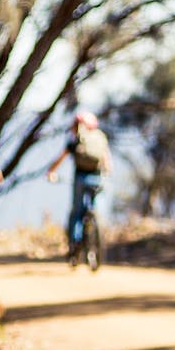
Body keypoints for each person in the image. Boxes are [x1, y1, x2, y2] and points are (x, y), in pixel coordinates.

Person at [46, 111, 110, 262]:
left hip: (81, 178)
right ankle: (97, 228)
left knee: (76, 212)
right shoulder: (99, 139)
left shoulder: (76, 141)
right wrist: (107, 172)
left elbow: (59, 160)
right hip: (99, 178)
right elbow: (106, 159)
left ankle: (74, 244)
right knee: (96, 208)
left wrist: (51, 172)